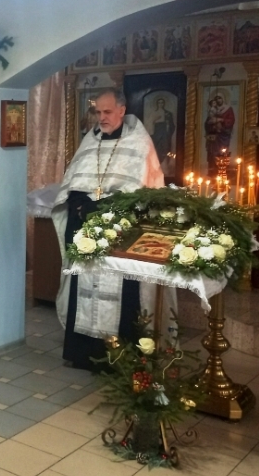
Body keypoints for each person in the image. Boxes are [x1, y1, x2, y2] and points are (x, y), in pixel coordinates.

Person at [51, 88, 168, 370]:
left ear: (122, 110)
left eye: (107, 112)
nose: (101, 117)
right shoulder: (89, 142)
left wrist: (104, 210)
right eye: (98, 112)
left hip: (120, 234)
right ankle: (82, 354)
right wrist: (82, 205)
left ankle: (119, 360)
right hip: (86, 232)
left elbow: (143, 193)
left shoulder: (140, 144)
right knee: (83, 287)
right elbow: (73, 186)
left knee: (122, 295)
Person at [204, 93, 236, 176]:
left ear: (223, 99)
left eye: (220, 98)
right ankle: (213, 172)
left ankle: (223, 172)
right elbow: (207, 123)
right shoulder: (213, 110)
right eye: (217, 99)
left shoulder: (228, 109)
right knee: (213, 153)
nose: (218, 100)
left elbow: (231, 121)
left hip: (224, 135)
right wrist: (211, 124)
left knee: (222, 153)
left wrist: (221, 120)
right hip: (214, 137)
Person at [147, 97, 175, 172]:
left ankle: (165, 168)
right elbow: (150, 124)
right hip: (157, 133)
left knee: (165, 148)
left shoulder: (168, 113)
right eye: (159, 103)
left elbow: (172, 125)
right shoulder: (154, 113)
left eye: (162, 103)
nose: (161, 104)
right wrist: (155, 120)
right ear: (157, 104)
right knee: (157, 149)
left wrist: (168, 126)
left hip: (165, 133)